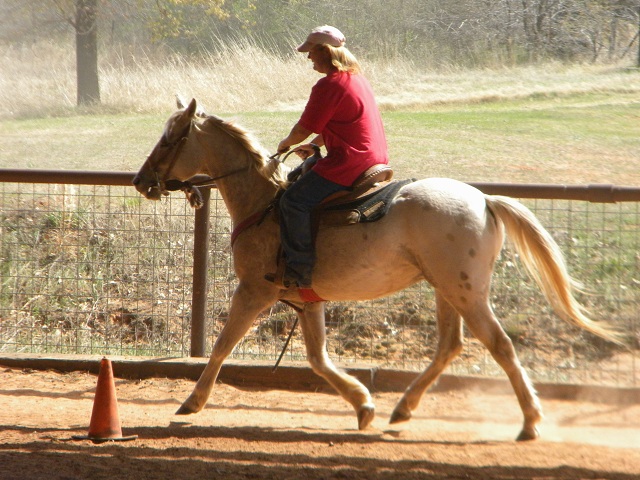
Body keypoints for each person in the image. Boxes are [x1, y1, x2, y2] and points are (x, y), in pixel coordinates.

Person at [272, 25, 389, 289]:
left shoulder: (329, 85)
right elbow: (338, 123)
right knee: (296, 180)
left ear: (325, 52)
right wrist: (315, 144)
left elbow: (303, 128)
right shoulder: (357, 80)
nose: (308, 57)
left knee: (293, 201)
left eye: (312, 51)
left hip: (349, 161)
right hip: (373, 157)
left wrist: (286, 144)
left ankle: (299, 269)